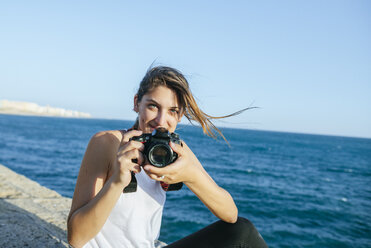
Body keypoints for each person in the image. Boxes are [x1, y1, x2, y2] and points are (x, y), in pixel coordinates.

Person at [67, 66, 268, 248]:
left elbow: (231, 215)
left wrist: (191, 176)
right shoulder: (108, 143)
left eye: (172, 111)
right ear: (137, 103)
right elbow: (76, 238)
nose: (161, 121)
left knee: (242, 231)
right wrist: (118, 181)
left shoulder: (176, 149)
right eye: (153, 106)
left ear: (180, 116)